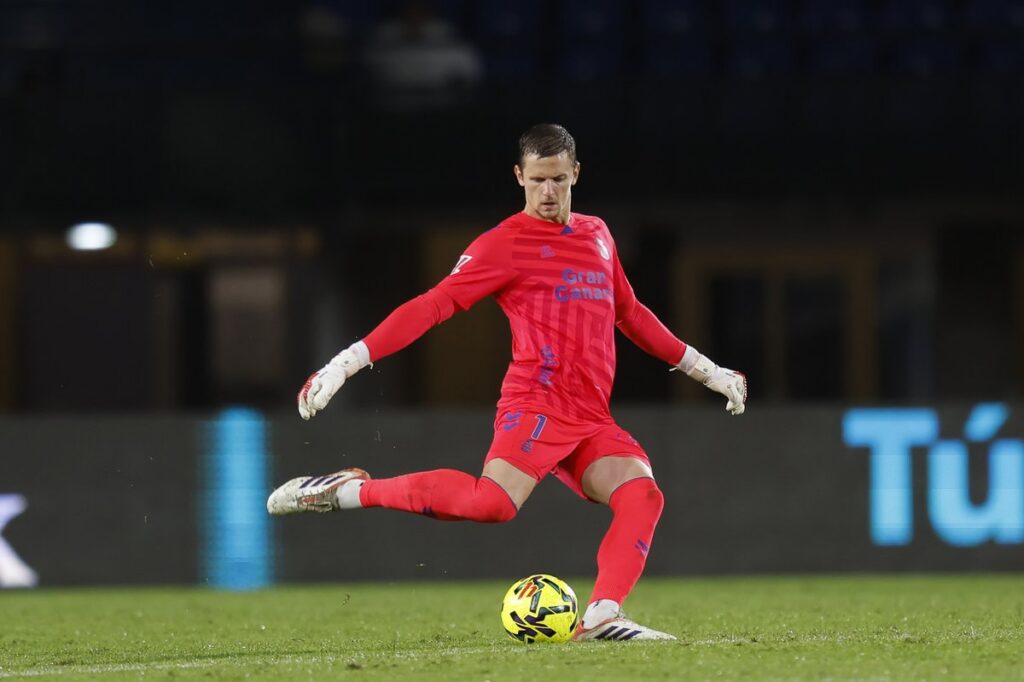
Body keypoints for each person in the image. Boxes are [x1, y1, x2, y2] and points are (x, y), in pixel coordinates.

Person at [268, 123, 747, 641]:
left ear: (575, 174)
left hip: (590, 415)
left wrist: (708, 370)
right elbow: (433, 306)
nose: (548, 192)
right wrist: (344, 363)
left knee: (642, 495)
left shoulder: (597, 235)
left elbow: (630, 313)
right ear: (519, 176)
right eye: (538, 180)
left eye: (558, 180)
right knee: (492, 505)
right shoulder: (502, 245)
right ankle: (351, 491)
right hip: (537, 400)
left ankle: (604, 616)